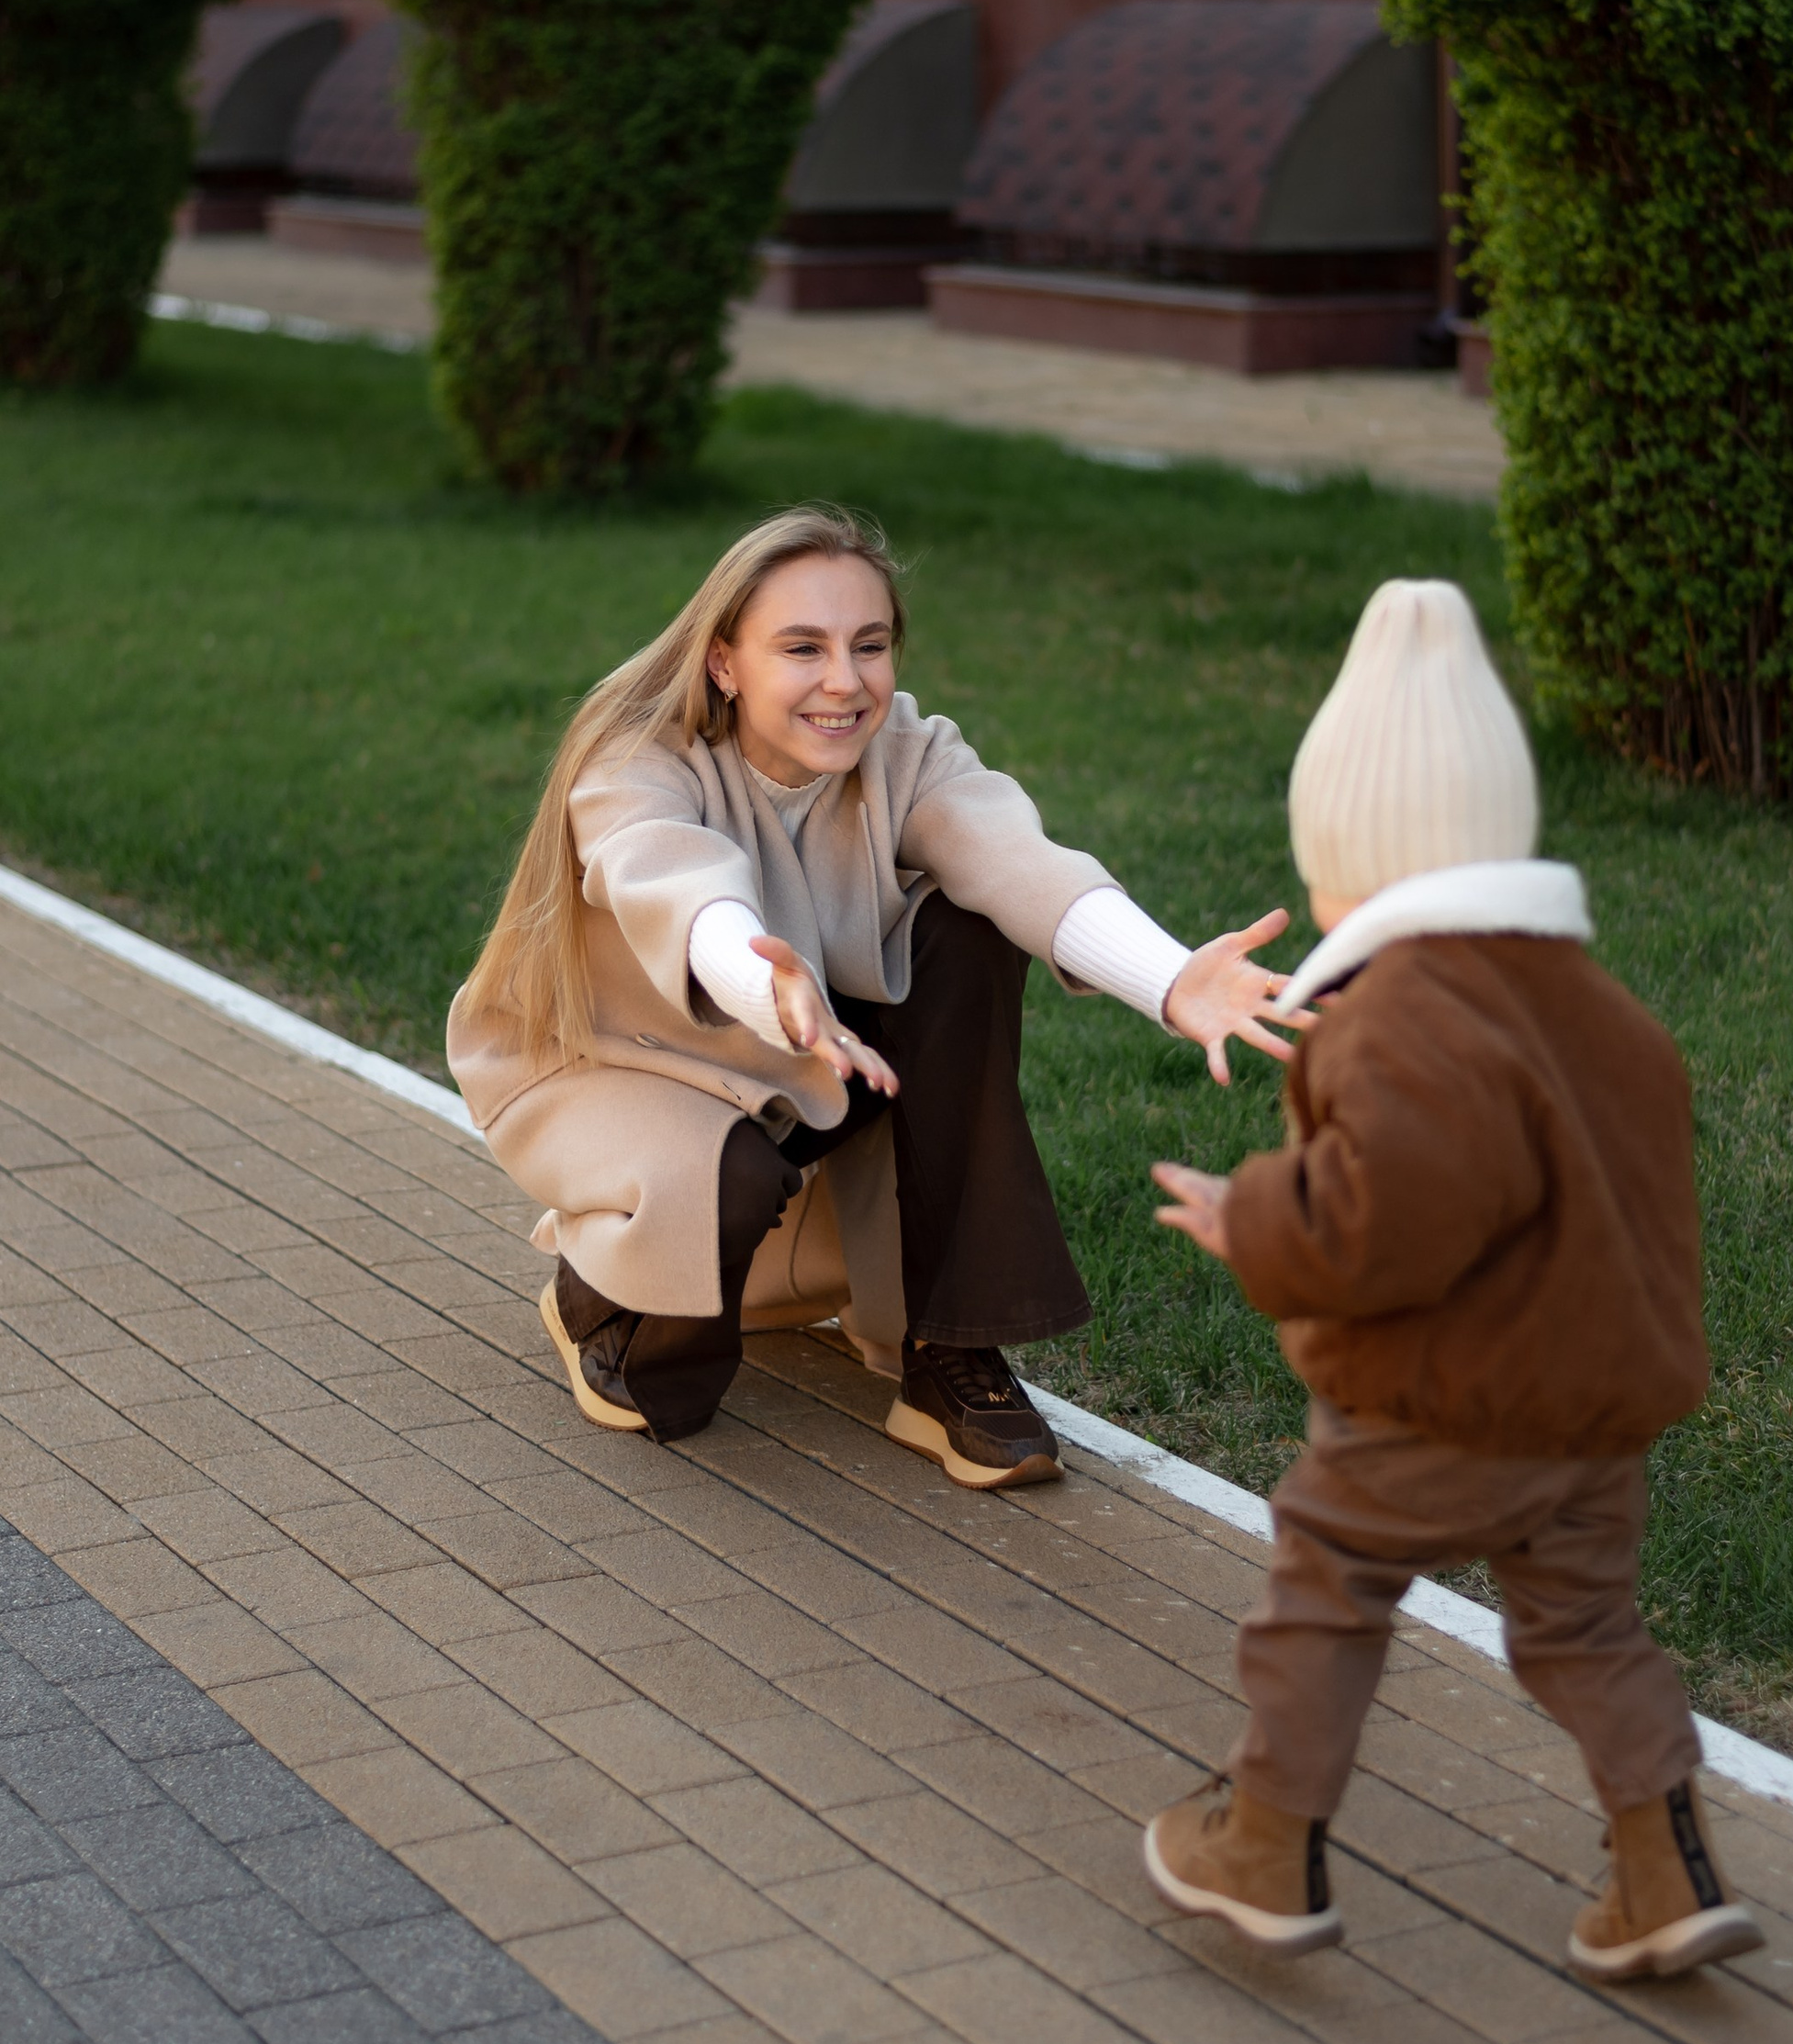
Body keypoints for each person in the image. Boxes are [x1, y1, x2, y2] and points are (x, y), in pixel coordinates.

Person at [1143, 578, 1764, 1985]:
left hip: (1445, 1407)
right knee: (1587, 1625)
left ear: (1353, 858)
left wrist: (1257, 1214)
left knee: (1326, 1582)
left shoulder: (1408, 1011)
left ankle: (1266, 1842)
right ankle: (1665, 1865)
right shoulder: (1601, 1008)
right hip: (1593, 1420)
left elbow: (1386, 1224)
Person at [449, 503, 1295, 1490]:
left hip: (807, 1062)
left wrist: (1171, 975)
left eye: (870, 644)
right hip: (627, 1064)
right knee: (664, 1395)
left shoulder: (905, 750)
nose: (844, 682)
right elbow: (681, 890)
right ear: (724, 662)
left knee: (968, 927)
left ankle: (948, 1354)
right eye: (801, 647)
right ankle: (599, 1296)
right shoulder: (637, 761)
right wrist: (775, 988)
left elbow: (1013, 859)